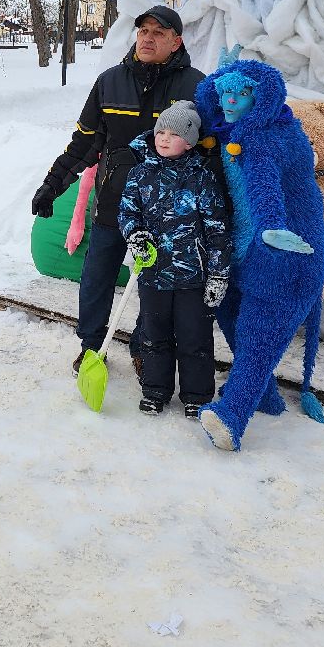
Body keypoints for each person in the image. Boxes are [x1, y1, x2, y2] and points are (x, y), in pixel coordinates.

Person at [31, 4, 211, 373]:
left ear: (176, 42)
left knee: (155, 285)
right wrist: (52, 185)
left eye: (158, 33)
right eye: (143, 31)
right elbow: (83, 143)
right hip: (113, 201)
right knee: (96, 277)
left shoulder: (196, 86)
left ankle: (146, 348)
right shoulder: (110, 82)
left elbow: (208, 151)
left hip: (168, 211)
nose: (148, 38)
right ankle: (91, 347)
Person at [119, 100, 233, 417]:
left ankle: (196, 394)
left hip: (193, 277)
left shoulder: (202, 178)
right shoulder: (140, 174)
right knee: (153, 335)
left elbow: (217, 229)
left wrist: (219, 274)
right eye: (160, 132)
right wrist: (135, 235)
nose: (164, 138)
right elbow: (127, 213)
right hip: (153, 274)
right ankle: (155, 390)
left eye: (173, 134)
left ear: (190, 142)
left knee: (194, 338)